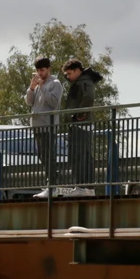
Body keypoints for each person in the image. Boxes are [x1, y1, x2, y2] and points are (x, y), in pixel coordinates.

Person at [60, 59, 105, 196]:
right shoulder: (82, 81)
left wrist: (78, 115)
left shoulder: (85, 82)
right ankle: (86, 188)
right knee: (79, 156)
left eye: (69, 73)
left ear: (77, 71)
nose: (68, 77)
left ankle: (83, 187)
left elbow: (89, 98)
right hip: (79, 124)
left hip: (81, 125)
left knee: (80, 156)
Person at [24, 57, 63, 193]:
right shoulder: (38, 85)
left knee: (48, 154)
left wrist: (42, 86)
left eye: (42, 70)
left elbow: (54, 102)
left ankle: (52, 185)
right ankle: (50, 184)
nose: (40, 73)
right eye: (38, 70)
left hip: (48, 126)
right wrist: (31, 88)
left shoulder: (55, 83)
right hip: (37, 126)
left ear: (48, 69)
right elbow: (29, 102)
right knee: (42, 154)